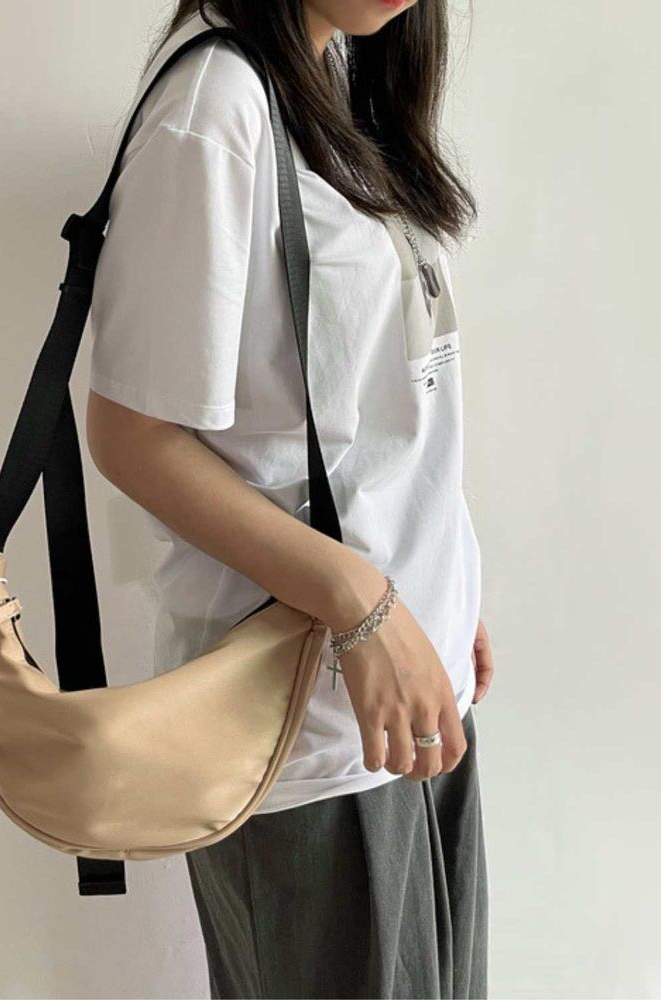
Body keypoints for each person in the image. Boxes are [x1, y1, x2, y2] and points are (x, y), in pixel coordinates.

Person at [85, 1, 496, 996]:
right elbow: (134, 435)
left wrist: (442, 591)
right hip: (304, 722)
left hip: (405, 693)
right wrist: (366, 600)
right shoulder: (215, 108)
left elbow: (375, 404)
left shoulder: (334, 80)